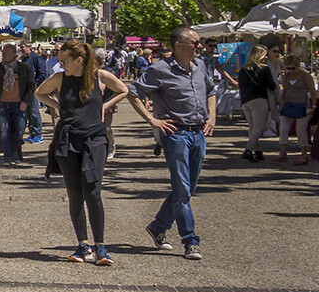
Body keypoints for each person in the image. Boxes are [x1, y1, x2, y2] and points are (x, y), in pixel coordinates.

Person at [37, 40, 132, 265]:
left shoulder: (100, 76)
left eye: (65, 61)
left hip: (95, 139)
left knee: (93, 189)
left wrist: (104, 106)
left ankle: (100, 245)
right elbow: (39, 93)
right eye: (60, 61)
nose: (61, 65)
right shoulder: (60, 78)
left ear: (80, 61)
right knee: (74, 192)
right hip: (68, 138)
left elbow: (124, 90)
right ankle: (82, 244)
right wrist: (59, 107)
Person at [134, 25, 217, 261]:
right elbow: (134, 92)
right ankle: (190, 241)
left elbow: (211, 92)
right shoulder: (159, 70)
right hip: (176, 134)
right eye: (195, 42)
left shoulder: (200, 66)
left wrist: (212, 116)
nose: (200, 46)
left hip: (198, 133)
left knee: (187, 187)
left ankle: (159, 227)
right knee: (182, 189)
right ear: (179, 45)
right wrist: (152, 120)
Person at [0, 43, 35, 166]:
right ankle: (8, 156)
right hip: (3, 103)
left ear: (14, 54)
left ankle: (15, 150)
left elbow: (31, 85)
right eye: (3, 53)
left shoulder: (24, 68)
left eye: (7, 53)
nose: (4, 55)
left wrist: (25, 100)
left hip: (19, 103)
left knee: (20, 129)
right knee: (4, 129)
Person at [273, 53, 316, 164]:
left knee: (300, 130)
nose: (291, 70)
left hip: (302, 106)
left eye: (293, 68)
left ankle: (304, 154)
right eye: (288, 68)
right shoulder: (285, 76)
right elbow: (285, 91)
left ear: (298, 66)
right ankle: (283, 152)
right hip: (288, 105)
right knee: (283, 128)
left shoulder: (305, 76)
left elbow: (312, 91)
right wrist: (281, 104)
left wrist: (314, 106)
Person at [238, 44, 276, 162]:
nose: (266, 58)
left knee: (252, 127)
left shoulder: (243, 70)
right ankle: (248, 150)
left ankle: (258, 151)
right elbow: (271, 86)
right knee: (259, 128)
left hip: (246, 101)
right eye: (265, 56)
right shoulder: (264, 69)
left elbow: (241, 87)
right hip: (259, 100)